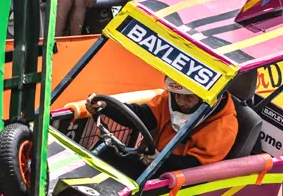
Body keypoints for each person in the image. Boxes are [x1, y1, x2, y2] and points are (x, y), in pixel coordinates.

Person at [85, 76, 239, 179]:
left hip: (175, 183)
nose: (180, 101)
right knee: (98, 156)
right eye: (176, 94)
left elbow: (195, 168)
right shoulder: (170, 98)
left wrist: (161, 159)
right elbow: (141, 116)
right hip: (151, 163)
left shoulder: (223, 127)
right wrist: (105, 107)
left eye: (189, 97)